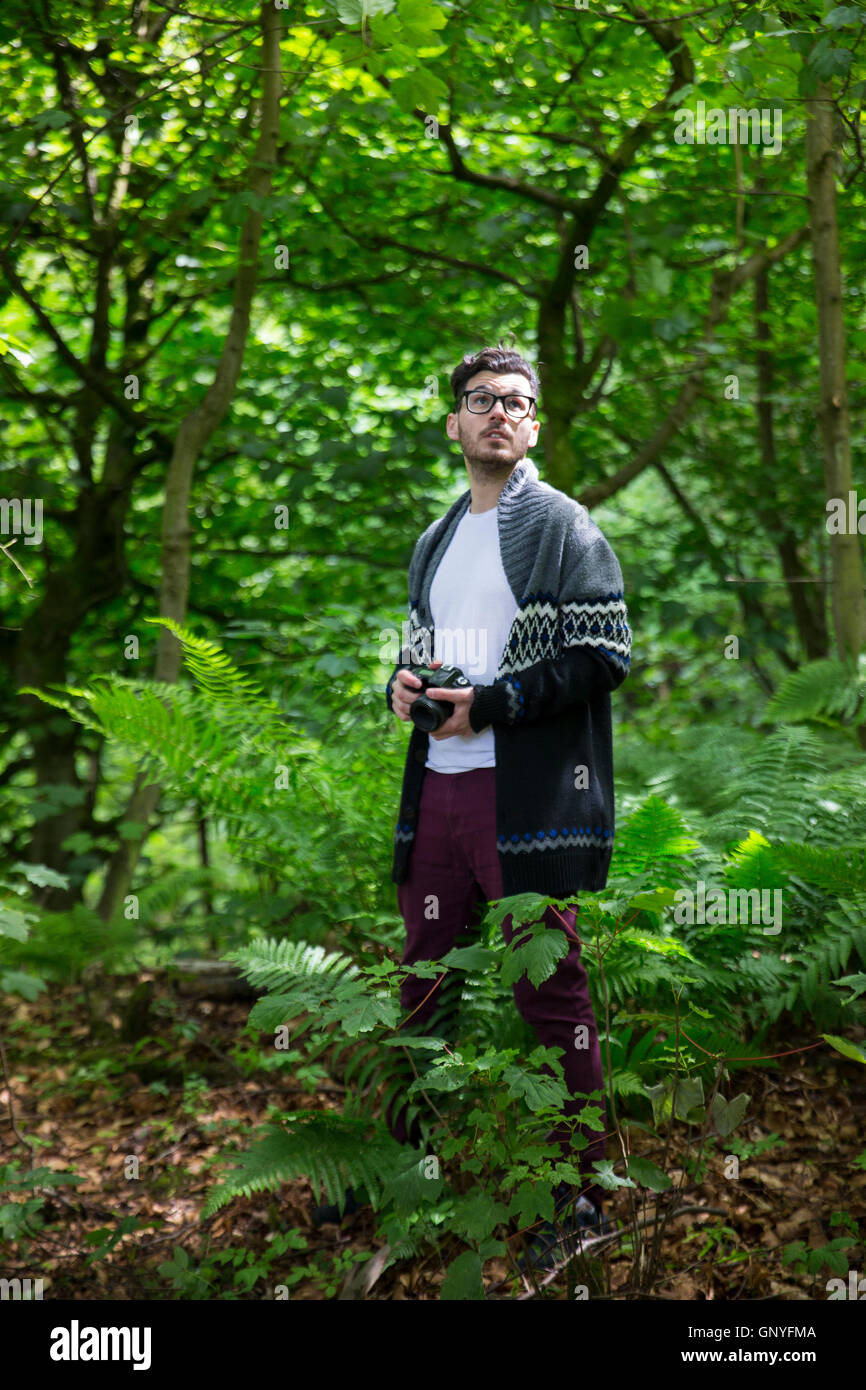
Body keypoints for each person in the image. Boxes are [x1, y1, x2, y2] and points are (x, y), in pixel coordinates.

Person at [321, 344, 632, 1272]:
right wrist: (404, 687)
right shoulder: (435, 539)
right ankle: (413, 1182)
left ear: (533, 426)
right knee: (422, 989)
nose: (502, 412)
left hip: (530, 800)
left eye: (520, 402)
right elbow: (423, 654)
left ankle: (582, 1202)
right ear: (454, 422)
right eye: (483, 399)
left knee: (552, 993)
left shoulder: (566, 528)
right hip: (442, 799)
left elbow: (603, 654)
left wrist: (492, 704)